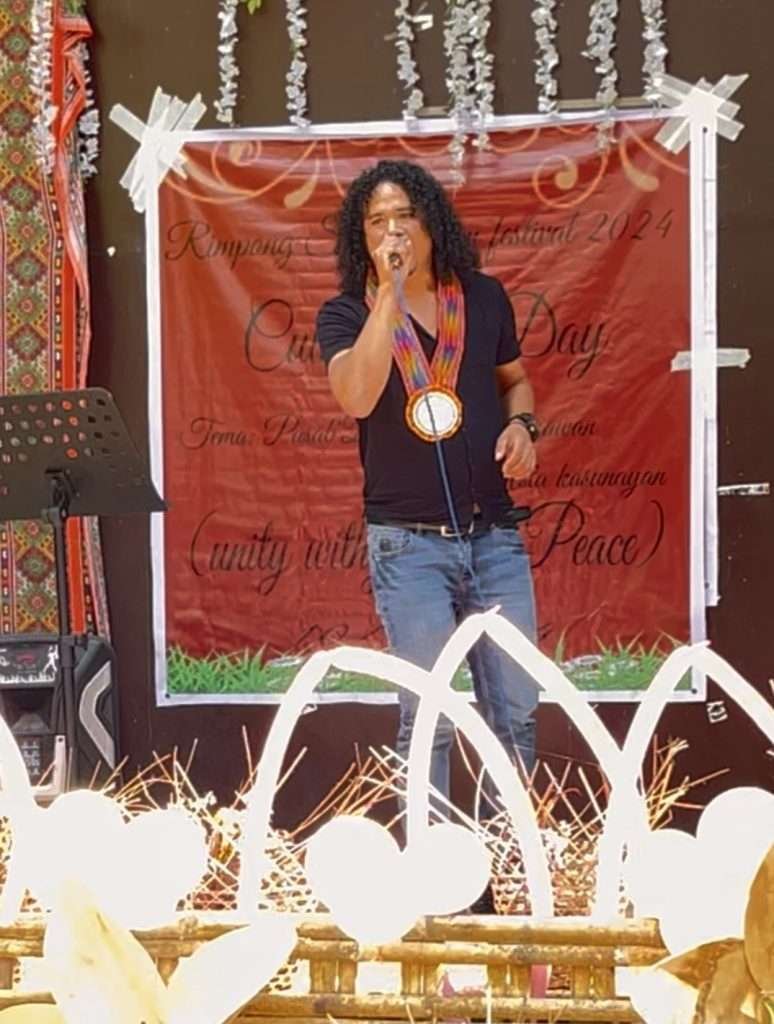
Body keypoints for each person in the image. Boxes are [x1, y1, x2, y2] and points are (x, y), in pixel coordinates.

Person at [315, 159, 540, 820]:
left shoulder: (483, 297)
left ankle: (511, 862)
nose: (393, 231)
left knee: (518, 711)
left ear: (432, 224)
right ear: (362, 238)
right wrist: (387, 295)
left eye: (405, 216)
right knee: (429, 716)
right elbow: (357, 397)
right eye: (377, 221)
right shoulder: (345, 313)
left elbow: (515, 382)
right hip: (408, 546)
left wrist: (523, 426)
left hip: (494, 536)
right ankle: (433, 867)